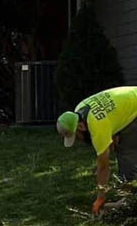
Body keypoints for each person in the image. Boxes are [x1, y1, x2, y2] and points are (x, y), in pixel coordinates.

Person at [57, 85, 137, 215]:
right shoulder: (79, 109)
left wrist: (100, 198)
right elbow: (110, 113)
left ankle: (130, 202)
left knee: (126, 154)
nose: (78, 140)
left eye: (76, 136)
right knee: (122, 146)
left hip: (135, 107)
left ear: (81, 126)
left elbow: (103, 167)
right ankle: (127, 197)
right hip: (132, 99)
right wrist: (113, 133)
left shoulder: (96, 127)